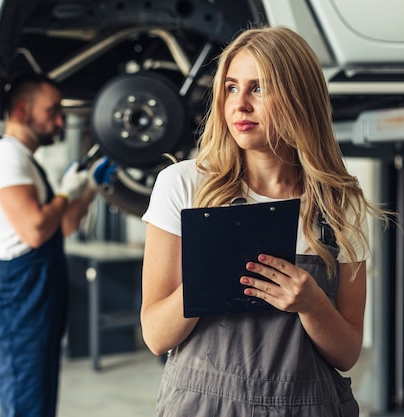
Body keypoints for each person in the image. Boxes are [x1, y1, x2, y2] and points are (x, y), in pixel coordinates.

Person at [140, 26, 388, 417]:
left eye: (259, 88)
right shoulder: (185, 185)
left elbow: (347, 354)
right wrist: (208, 278)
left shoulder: (342, 204)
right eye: (232, 88)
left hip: (306, 407)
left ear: (298, 98)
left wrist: (312, 306)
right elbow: (155, 336)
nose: (240, 105)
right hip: (203, 405)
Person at [0, 73, 111, 417]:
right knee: (26, 407)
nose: (60, 121)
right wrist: (65, 192)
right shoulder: (3, 155)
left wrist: (88, 188)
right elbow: (34, 229)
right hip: (18, 301)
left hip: (37, 297)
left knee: (39, 405)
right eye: (52, 111)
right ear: (21, 109)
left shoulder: (24, 160)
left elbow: (60, 226)